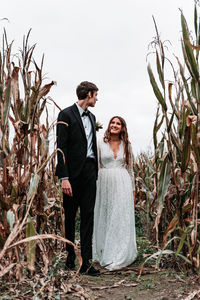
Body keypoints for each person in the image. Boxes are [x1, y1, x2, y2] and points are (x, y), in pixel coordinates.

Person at [55, 81, 100, 276]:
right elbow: (61, 147)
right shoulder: (65, 114)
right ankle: (70, 258)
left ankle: (86, 263)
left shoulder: (92, 117)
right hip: (72, 176)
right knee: (71, 217)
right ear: (89, 94)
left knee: (88, 217)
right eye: (96, 95)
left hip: (90, 172)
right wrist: (64, 177)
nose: (97, 98)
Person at [93, 116, 137, 270]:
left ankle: (120, 252)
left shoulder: (127, 145)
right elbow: (96, 165)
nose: (114, 125)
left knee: (120, 216)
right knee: (105, 215)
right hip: (104, 183)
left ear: (122, 127)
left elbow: (130, 169)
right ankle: (104, 250)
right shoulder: (100, 143)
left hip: (123, 183)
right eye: (112, 122)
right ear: (109, 125)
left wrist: (132, 190)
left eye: (118, 123)